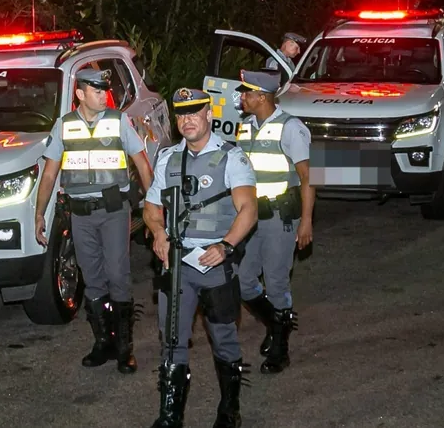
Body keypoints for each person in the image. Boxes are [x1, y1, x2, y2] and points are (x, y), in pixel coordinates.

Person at [145, 88, 258, 427]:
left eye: (195, 112)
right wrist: (159, 233)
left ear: (209, 113)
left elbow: (249, 210)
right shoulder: (167, 158)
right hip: (177, 264)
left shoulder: (231, 157)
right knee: (173, 339)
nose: (188, 120)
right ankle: (170, 415)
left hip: (214, 264)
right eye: (181, 114)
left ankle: (229, 409)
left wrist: (225, 246)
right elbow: (151, 209)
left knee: (223, 338)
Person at [34, 68, 154, 375]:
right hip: (80, 214)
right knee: (93, 278)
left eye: (105, 90)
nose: (104, 95)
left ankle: (125, 349)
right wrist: (39, 213)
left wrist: (155, 208)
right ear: (80, 94)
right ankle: (104, 342)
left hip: (113, 212)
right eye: (97, 91)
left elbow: (142, 162)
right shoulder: (64, 126)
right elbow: (49, 173)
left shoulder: (118, 121)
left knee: (118, 275)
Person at [233, 69, 315, 374]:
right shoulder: (245, 127)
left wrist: (306, 221)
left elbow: (309, 177)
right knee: (243, 281)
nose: (241, 97)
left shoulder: (291, 129)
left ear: (261, 97)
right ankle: (275, 323)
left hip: (280, 218)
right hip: (249, 218)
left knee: (277, 281)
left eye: (246, 93)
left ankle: (280, 348)